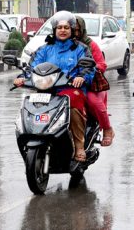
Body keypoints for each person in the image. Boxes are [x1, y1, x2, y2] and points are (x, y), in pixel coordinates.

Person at [14, 11, 95, 161]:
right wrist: (22, 78)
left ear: (71, 30)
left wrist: (81, 77)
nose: (62, 30)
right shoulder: (44, 49)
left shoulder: (80, 49)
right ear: (54, 30)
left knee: (74, 102)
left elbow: (89, 67)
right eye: (59, 27)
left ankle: (79, 146)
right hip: (46, 90)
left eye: (66, 27)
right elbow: (32, 67)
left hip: (70, 89)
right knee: (30, 105)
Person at [74, 15, 115, 147]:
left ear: (82, 29)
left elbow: (101, 64)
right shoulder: (59, 45)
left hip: (89, 84)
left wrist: (88, 71)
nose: (73, 33)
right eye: (70, 29)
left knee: (94, 103)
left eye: (76, 29)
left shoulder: (90, 45)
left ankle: (107, 128)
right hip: (65, 83)